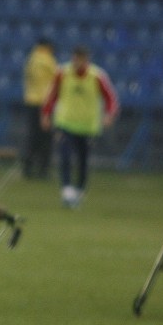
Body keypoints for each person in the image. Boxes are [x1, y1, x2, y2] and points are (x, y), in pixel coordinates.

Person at [41, 45, 120, 208]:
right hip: (65, 123)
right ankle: (67, 189)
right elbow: (52, 95)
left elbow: (111, 98)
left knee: (83, 160)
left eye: (81, 59)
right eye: (75, 58)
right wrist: (46, 114)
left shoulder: (97, 76)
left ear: (87, 59)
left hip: (87, 126)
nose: (77, 62)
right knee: (65, 155)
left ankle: (80, 189)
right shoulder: (62, 73)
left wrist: (109, 114)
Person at [21, 37, 57, 180]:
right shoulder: (47, 60)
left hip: (31, 100)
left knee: (33, 136)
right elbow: (54, 81)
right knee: (45, 138)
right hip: (44, 103)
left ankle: (28, 167)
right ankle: (43, 169)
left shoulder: (32, 58)